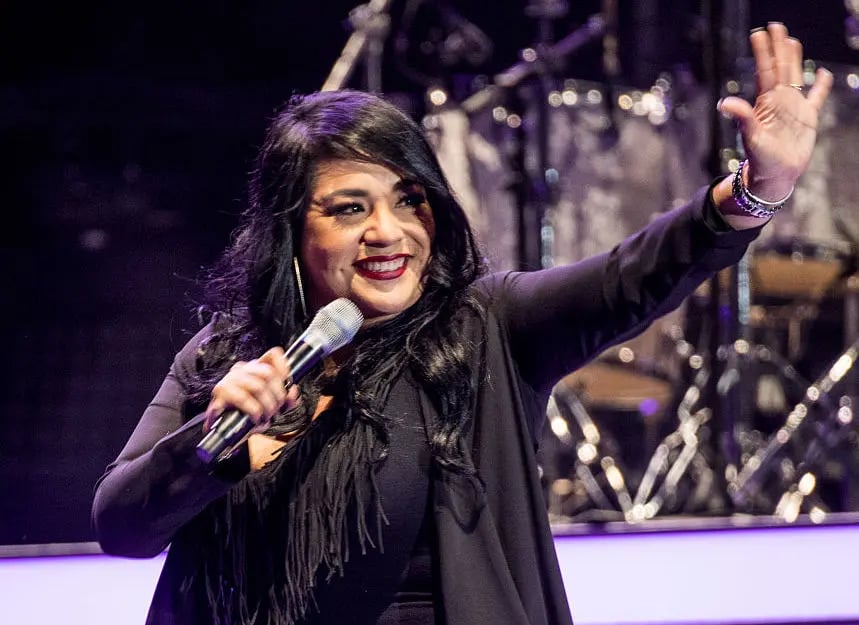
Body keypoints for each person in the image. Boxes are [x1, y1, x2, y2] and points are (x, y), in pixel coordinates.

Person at [92, 23, 832, 625]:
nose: (389, 231)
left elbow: (634, 274)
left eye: (409, 199)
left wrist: (752, 190)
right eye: (349, 208)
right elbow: (122, 527)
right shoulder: (228, 354)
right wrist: (210, 443)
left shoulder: (483, 325)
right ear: (292, 230)